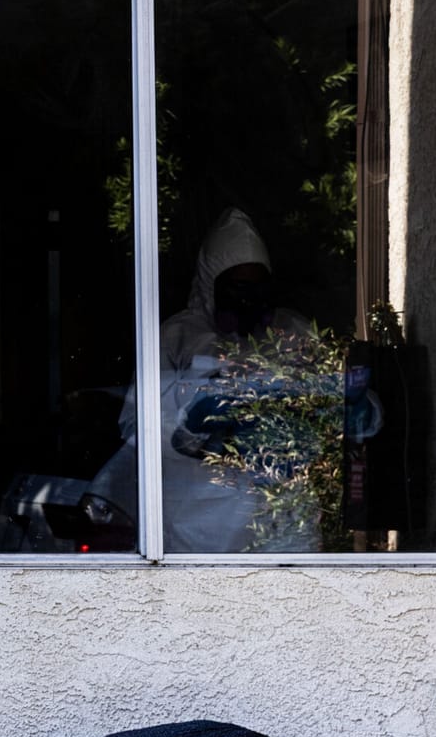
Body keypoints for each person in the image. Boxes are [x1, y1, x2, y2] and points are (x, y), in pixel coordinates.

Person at [89, 207, 317, 553]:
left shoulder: (291, 333)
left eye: (257, 286)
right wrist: (191, 415)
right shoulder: (176, 336)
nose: (248, 299)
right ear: (212, 283)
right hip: (196, 528)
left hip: (279, 525)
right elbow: (137, 427)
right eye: (238, 287)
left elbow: (331, 398)